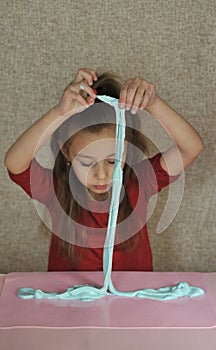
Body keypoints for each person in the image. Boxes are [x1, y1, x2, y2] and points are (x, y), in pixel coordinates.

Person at [4, 68, 204, 272]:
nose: (101, 175)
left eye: (112, 161)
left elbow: (190, 148)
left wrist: (153, 103)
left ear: (127, 147)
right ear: (65, 151)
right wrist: (60, 113)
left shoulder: (141, 181)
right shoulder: (56, 189)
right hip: (69, 300)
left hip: (132, 299)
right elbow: (15, 163)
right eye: (86, 162)